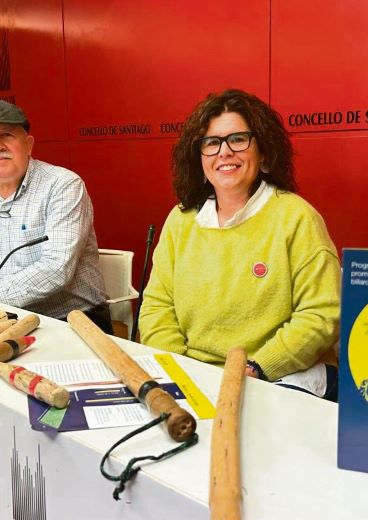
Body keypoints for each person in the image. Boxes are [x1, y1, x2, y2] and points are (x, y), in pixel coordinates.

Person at [138, 89, 341, 398]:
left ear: (263, 153)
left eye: (238, 139)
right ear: (199, 157)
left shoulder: (297, 218)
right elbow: (156, 307)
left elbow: (320, 315)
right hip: (193, 375)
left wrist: (258, 367)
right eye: (212, 142)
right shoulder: (181, 220)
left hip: (275, 375)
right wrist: (180, 368)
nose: (224, 152)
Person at [0, 99, 111, 333]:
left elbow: (56, 269)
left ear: (28, 145)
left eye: (7, 135)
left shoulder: (63, 186)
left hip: (72, 320)